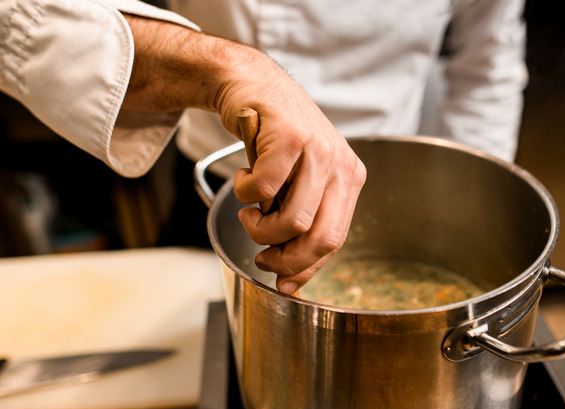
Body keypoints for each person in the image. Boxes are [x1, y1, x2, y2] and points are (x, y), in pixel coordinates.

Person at [0, 0, 526, 292]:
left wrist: (467, 215)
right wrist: (228, 70)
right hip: (221, 191)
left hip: (385, 191)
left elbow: (487, 66)